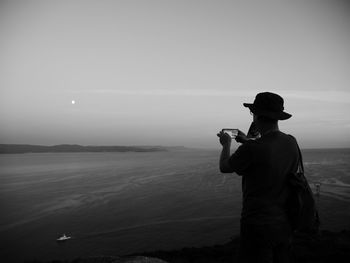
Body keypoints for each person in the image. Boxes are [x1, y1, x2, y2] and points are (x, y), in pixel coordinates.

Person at [217, 92, 299, 263]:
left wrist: (226, 144)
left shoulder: (253, 148)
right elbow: (267, 153)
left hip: (257, 224)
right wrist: (247, 141)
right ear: (277, 117)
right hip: (285, 222)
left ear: (257, 116)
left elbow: (225, 167)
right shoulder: (291, 142)